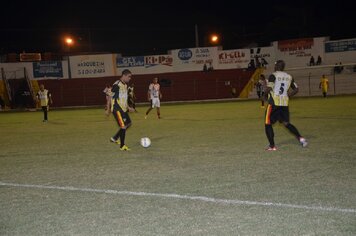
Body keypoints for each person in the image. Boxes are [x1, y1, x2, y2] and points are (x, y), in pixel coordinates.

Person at [264, 60, 308, 151]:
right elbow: (296, 89)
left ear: (276, 66)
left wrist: (264, 96)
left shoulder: (273, 75)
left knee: (268, 123)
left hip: (274, 103)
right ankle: (301, 139)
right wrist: (288, 95)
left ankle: (272, 146)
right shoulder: (289, 77)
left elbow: (269, 88)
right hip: (284, 104)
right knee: (286, 123)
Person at [110, 69, 135, 151]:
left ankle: (115, 138)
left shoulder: (125, 85)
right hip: (117, 109)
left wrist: (128, 107)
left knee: (128, 123)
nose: (130, 78)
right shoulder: (117, 84)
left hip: (123, 109)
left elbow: (124, 98)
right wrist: (107, 108)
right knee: (123, 126)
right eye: (129, 77)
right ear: (124, 76)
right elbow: (109, 94)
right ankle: (122, 145)